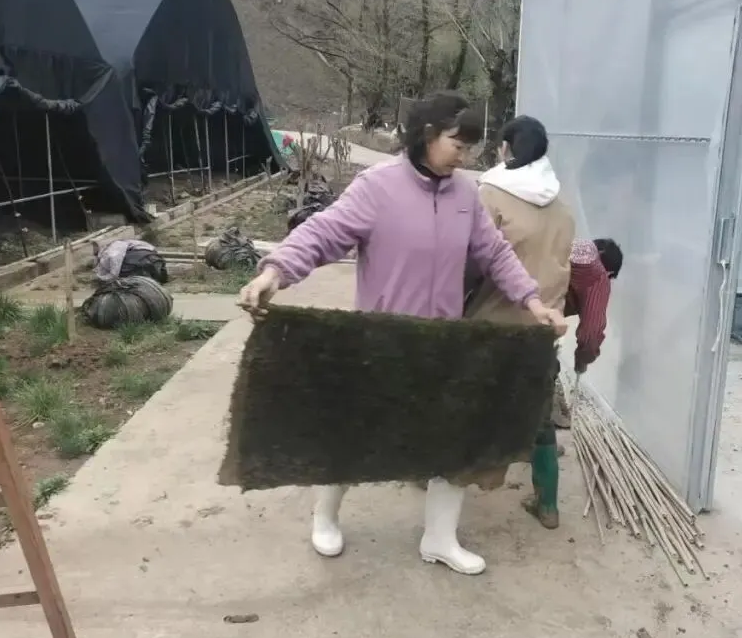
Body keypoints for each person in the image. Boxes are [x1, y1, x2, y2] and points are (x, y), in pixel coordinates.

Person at [237, 91, 567, 577]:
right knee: (354, 436)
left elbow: (495, 253)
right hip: (381, 342)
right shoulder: (378, 187)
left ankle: (440, 539)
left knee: (451, 443)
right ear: (427, 134)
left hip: (443, 345)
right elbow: (324, 232)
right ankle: (325, 518)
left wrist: (533, 302)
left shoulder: (465, 196)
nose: (465, 156)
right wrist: (276, 271)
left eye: (471, 147)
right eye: (458, 144)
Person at [463, 115, 574, 530]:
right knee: (539, 413)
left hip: (492, 321)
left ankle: (449, 478)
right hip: (542, 328)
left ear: (507, 149)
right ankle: (548, 504)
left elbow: (471, 263)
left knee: (469, 403)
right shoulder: (563, 208)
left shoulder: (490, 194)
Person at [553, 237, 624, 429]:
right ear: (609, 272)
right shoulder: (598, 276)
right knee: (543, 370)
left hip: (498, 298)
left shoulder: (569, 242)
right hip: (535, 321)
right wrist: (583, 359)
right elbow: (591, 332)